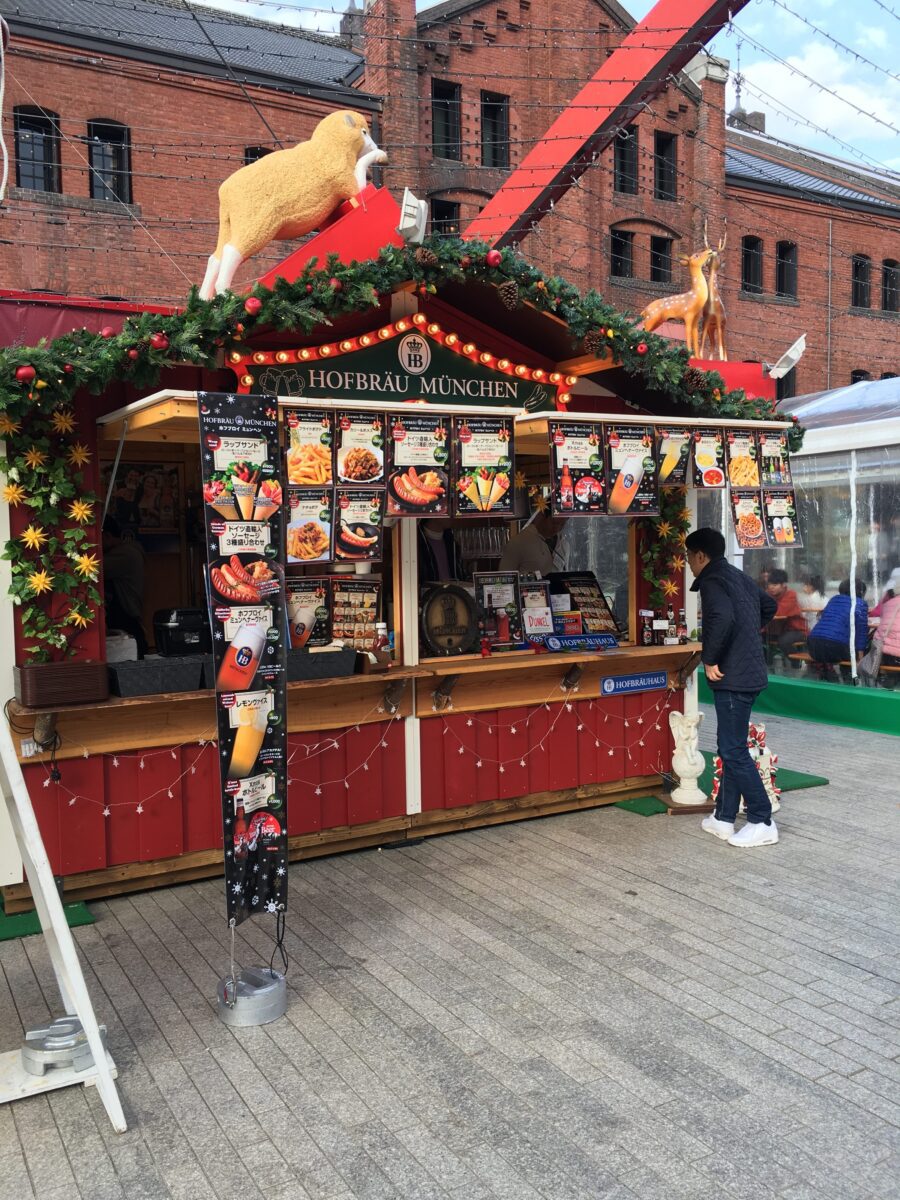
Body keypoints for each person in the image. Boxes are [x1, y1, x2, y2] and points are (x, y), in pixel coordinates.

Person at [685, 527, 779, 848]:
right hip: (747, 672)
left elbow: (722, 617)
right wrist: (746, 636)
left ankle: (762, 819)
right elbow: (768, 607)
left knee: (733, 749)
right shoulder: (738, 576)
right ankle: (723, 817)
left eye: (689, 557)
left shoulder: (712, 580)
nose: (689, 564)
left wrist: (710, 657)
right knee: (730, 745)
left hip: (732, 676)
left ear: (700, 556)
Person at [102, 516, 148, 658]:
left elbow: (91, 569)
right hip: (127, 622)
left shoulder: (125, 554)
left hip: (128, 622)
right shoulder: (128, 551)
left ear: (107, 536)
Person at [807, 579, 869, 679]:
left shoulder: (834, 599)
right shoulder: (860, 603)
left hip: (813, 645)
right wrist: (860, 658)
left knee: (844, 646)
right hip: (835, 647)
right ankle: (849, 680)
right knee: (855, 651)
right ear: (861, 591)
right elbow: (861, 632)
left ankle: (830, 676)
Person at [499, 511, 566, 576]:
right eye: (554, 523)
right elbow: (504, 577)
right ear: (541, 516)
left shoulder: (562, 543)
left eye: (562, 525)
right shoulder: (519, 542)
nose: (557, 529)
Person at [766, 568, 807, 668]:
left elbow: (779, 611)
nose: (771, 587)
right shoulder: (767, 594)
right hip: (775, 630)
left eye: (775, 585)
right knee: (758, 638)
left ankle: (796, 664)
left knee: (784, 641)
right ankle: (767, 667)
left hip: (796, 630)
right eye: (770, 584)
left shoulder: (791, 595)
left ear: (783, 585)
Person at [869, 582, 900, 686]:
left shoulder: (887, 604)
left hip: (882, 649)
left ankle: (886, 687)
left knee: (892, 676)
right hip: (896, 651)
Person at [418, 518, 461, 583]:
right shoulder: (416, 541)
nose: (453, 515)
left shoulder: (451, 541)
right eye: (447, 512)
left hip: (452, 589)